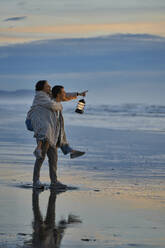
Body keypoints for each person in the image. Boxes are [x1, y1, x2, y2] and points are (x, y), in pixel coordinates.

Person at [26, 80, 87, 189]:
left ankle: (54, 182)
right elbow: (54, 105)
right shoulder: (43, 98)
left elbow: (65, 96)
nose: (49, 87)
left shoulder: (52, 98)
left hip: (52, 135)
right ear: (42, 88)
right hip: (44, 133)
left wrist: (78, 94)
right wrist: (60, 105)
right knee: (41, 158)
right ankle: (36, 181)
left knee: (53, 159)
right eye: (47, 85)